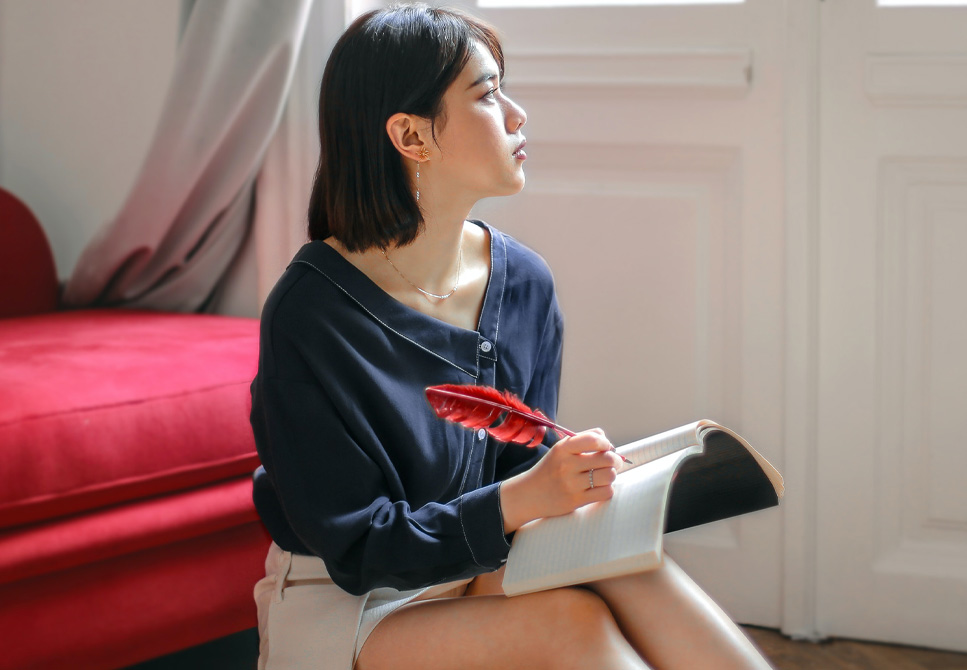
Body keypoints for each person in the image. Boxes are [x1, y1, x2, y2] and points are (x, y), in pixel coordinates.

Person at [249, 3, 774, 669]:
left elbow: (515, 467)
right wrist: (525, 497)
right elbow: (359, 549)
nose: (517, 114)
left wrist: (573, 481)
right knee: (568, 624)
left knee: (630, 565)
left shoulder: (522, 281)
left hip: (472, 562)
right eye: (488, 94)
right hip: (352, 601)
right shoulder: (312, 314)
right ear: (411, 136)